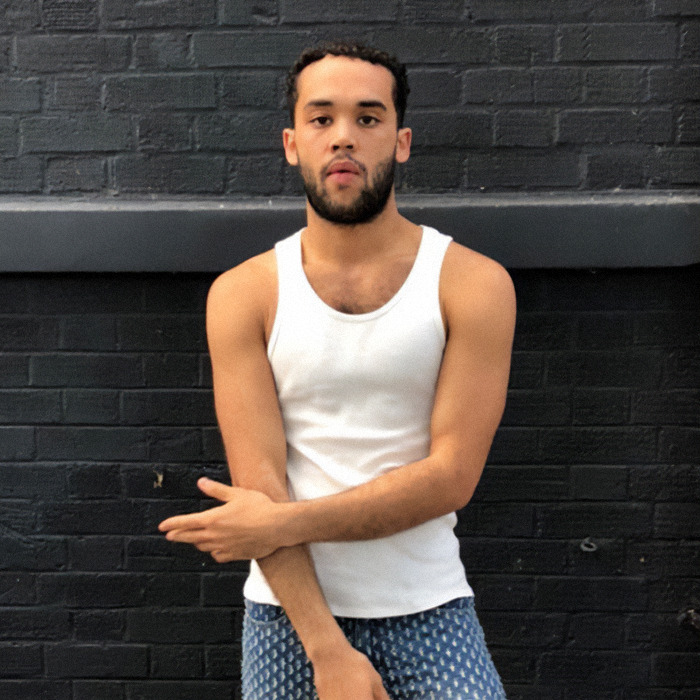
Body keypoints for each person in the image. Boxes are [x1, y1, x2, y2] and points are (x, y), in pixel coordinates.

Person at [159, 40, 515, 700]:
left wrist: (278, 524)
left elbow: (451, 478)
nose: (344, 137)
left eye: (368, 118)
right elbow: (258, 481)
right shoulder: (244, 294)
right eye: (322, 119)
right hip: (289, 617)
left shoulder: (472, 285)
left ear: (401, 141)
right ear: (292, 143)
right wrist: (328, 650)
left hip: (430, 607)